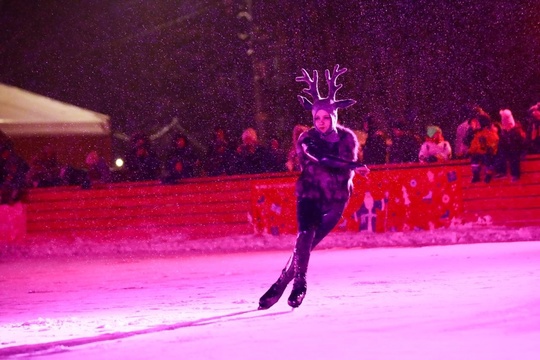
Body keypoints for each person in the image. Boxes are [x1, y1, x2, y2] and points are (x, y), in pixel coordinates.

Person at [258, 65, 369, 310]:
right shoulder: (306, 138)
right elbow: (322, 159)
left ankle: (280, 283)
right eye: (317, 117)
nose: (320, 122)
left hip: (336, 199)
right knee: (305, 237)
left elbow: (340, 170)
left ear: (334, 117)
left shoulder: (347, 138)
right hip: (310, 194)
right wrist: (352, 164)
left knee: (307, 245)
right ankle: (300, 283)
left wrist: (348, 168)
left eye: (326, 117)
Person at [468, 112, 499, 183]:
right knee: (474, 158)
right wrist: (470, 151)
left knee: (488, 159)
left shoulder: (489, 133)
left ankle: (488, 174)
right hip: (481, 153)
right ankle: (476, 175)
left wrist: (490, 148)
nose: (475, 125)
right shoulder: (478, 134)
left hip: (488, 153)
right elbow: (474, 145)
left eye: (477, 123)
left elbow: (494, 141)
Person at [496, 109, 526, 181]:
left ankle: (515, 174)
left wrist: (523, 152)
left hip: (516, 150)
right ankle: (502, 172)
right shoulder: (504, 133)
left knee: (514, 157)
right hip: (508, 150)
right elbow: (502, 144)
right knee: (500, 155)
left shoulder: (517, 131)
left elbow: (522, 143)